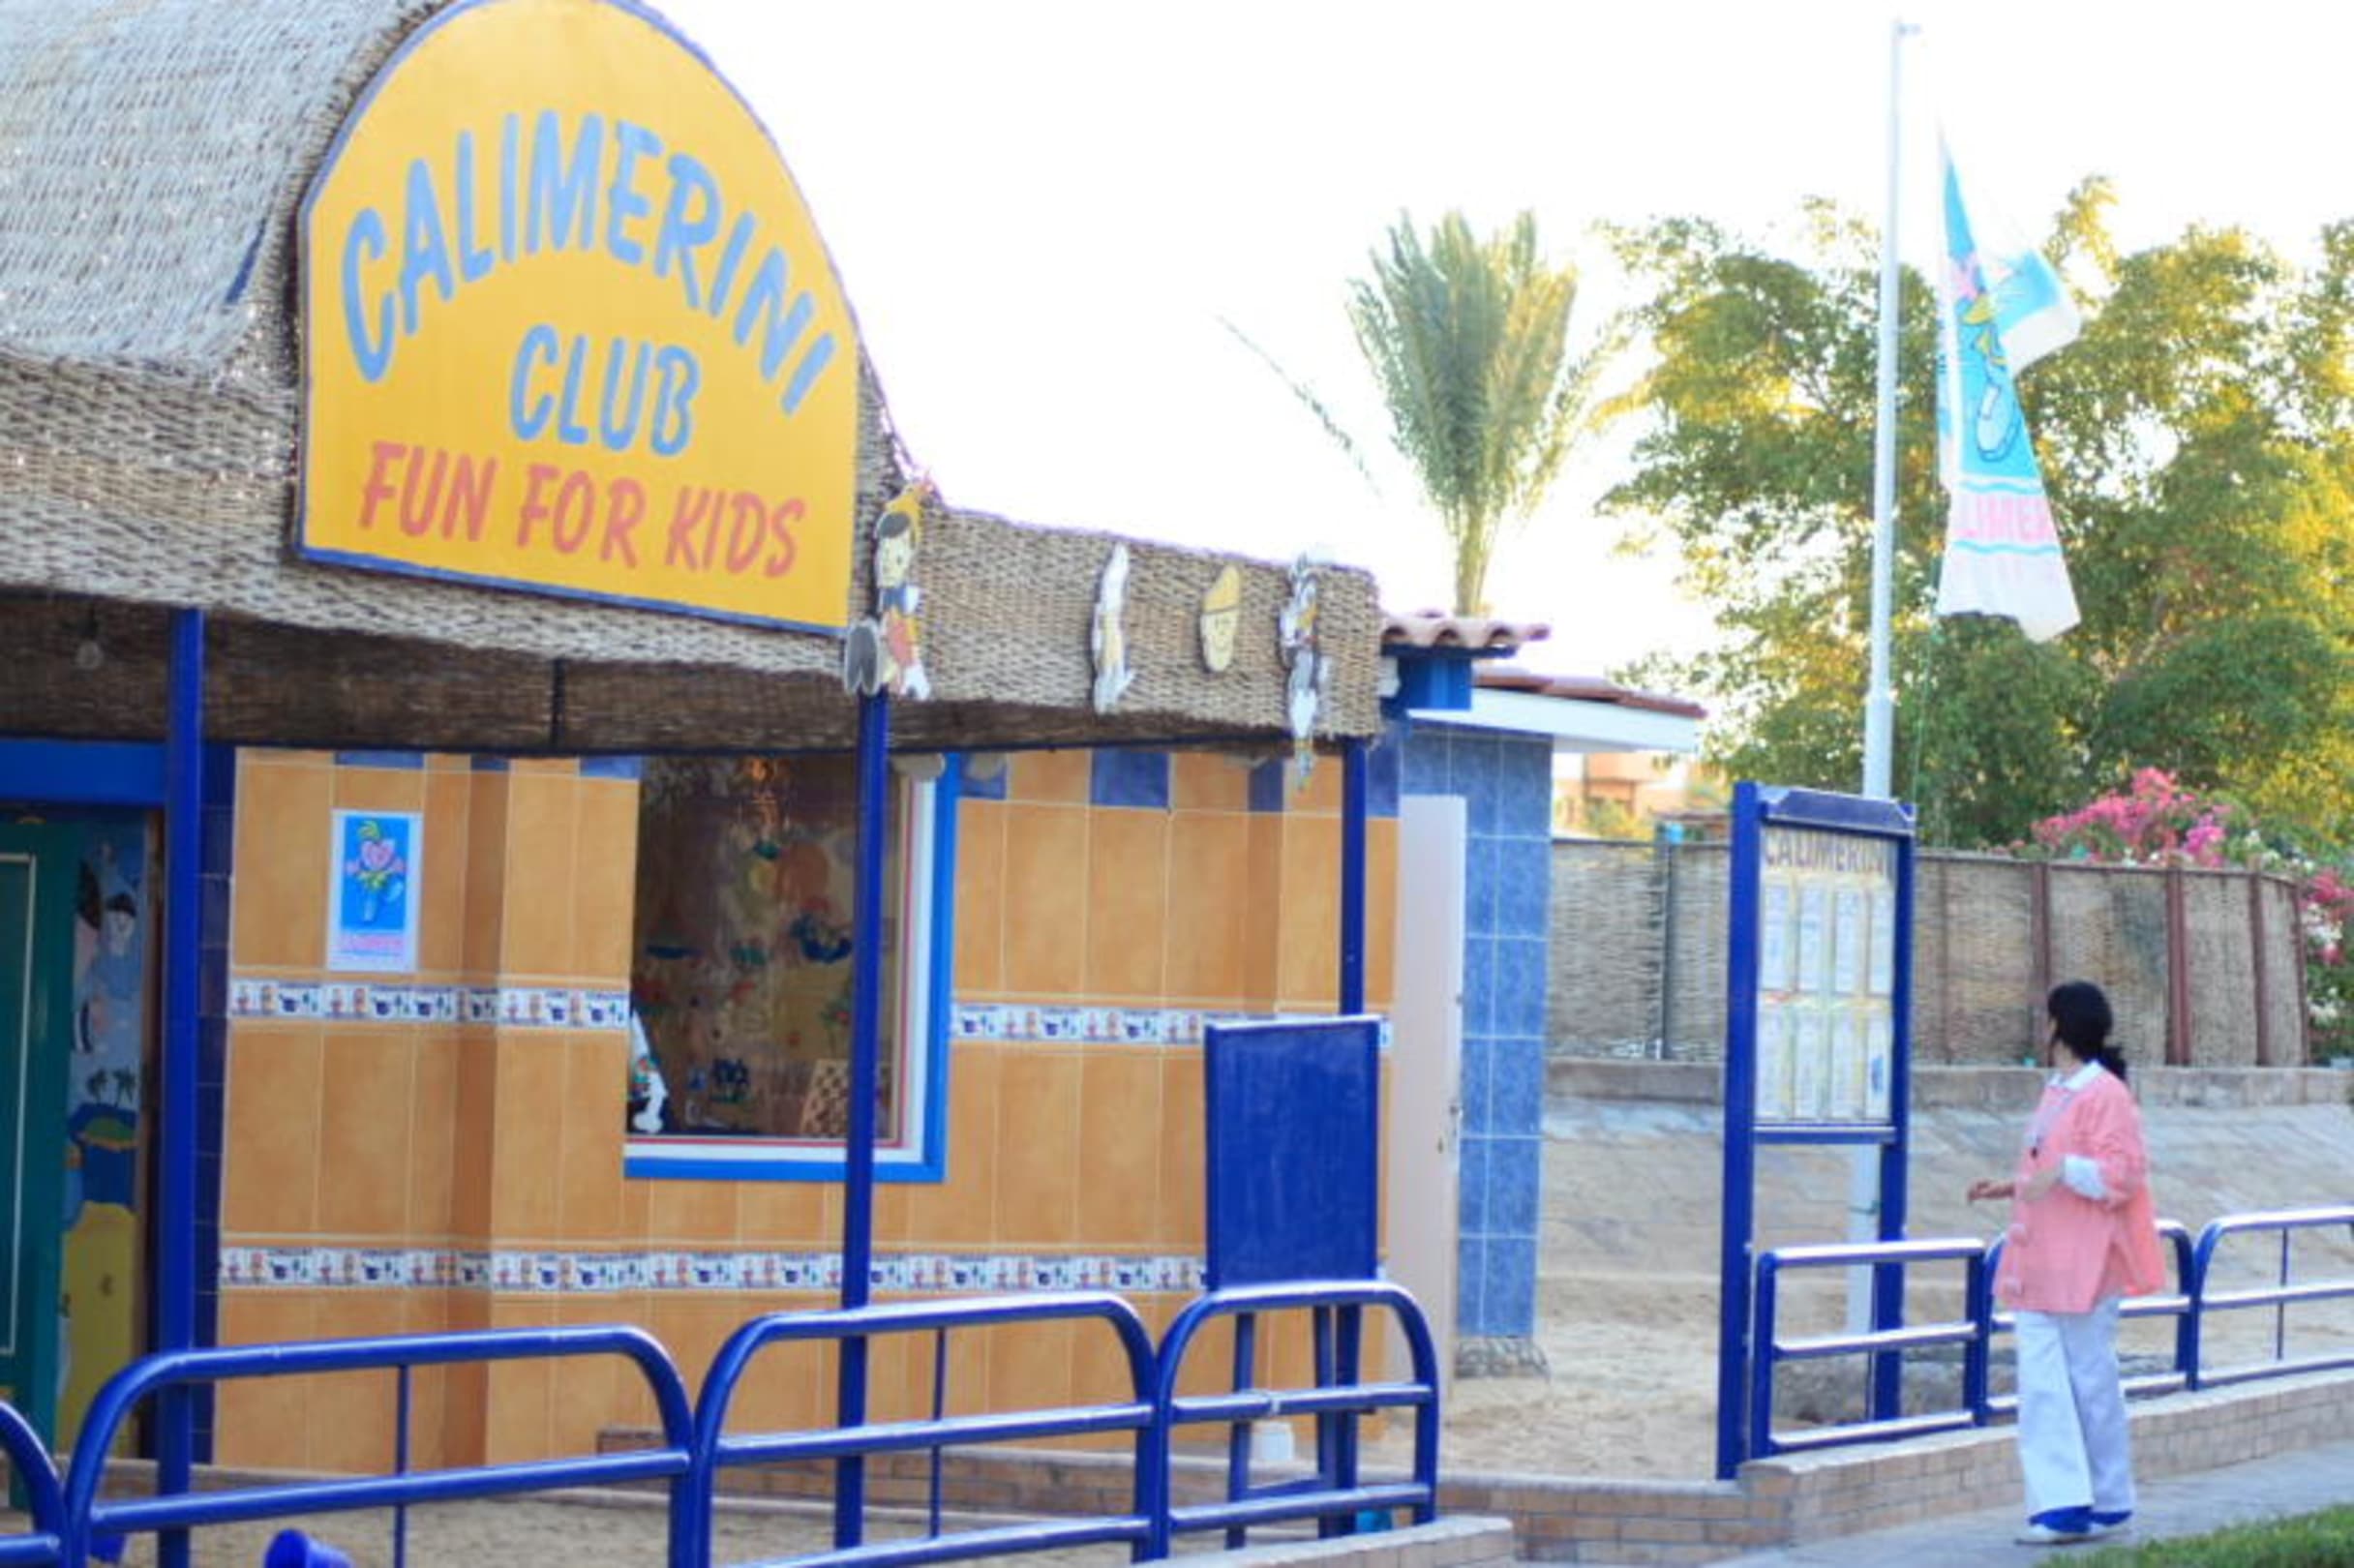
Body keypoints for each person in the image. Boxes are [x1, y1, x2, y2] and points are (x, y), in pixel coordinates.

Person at [1967, 980, 2163, 1547]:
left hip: (2087, 1264)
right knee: (2047, 1385)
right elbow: (2046, 1166)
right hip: (2041, 1260)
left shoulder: (2105, 1093)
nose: (2042, 1025)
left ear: (2060, 1025)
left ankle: (2105, 1499)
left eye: (2047, 1017)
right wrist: (2012, 1185)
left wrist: (2064, 1172)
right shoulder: (2057, 1090)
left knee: (2089, 1384)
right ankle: (2065, 1506)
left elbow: (2123, 1174)